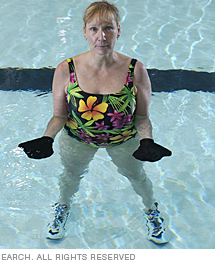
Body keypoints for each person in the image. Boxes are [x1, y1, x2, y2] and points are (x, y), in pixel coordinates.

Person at [18, 0, 172, 244]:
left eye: (108, 28)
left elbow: (142, 116)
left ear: (118, 30)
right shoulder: (66, 69)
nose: (102, 36)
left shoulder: (135, 69)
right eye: (94, 29)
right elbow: (59, 115)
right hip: (78, 139)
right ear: (85, 32)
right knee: (70, 176)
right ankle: (62, 209)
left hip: (123, 139)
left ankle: (152, 212)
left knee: (137, 177)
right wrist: (47, 137)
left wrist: (147, 140)